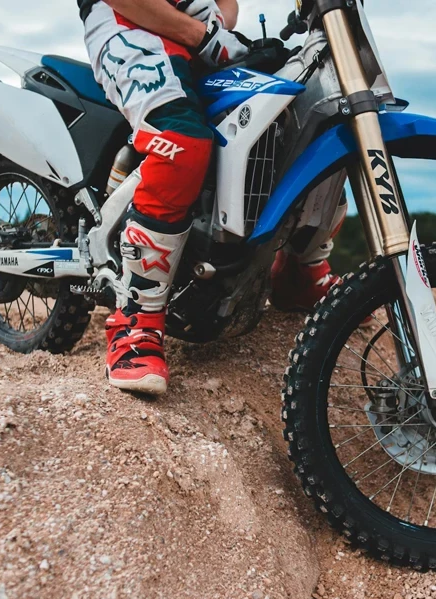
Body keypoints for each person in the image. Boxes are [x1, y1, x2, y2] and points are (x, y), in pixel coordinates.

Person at [79, 0, 346, 395]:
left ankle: (299, 272)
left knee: (314, 118)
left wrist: (214, 34)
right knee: (181, 140)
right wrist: (204, 37)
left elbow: (226, 5)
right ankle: (136, 320)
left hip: (200, 36)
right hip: (129, 24)